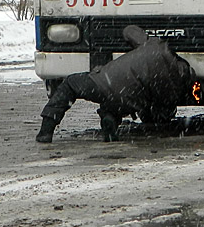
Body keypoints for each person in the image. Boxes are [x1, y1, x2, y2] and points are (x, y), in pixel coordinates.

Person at [36, 25, 194, 143]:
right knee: (120, 101)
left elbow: (129, 31)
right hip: (128, 100)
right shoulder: (171, 87)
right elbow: (159, 115)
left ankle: (46, 130)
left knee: (70, 84)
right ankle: (110, 118)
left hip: (102, 83)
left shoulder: (155, 46)